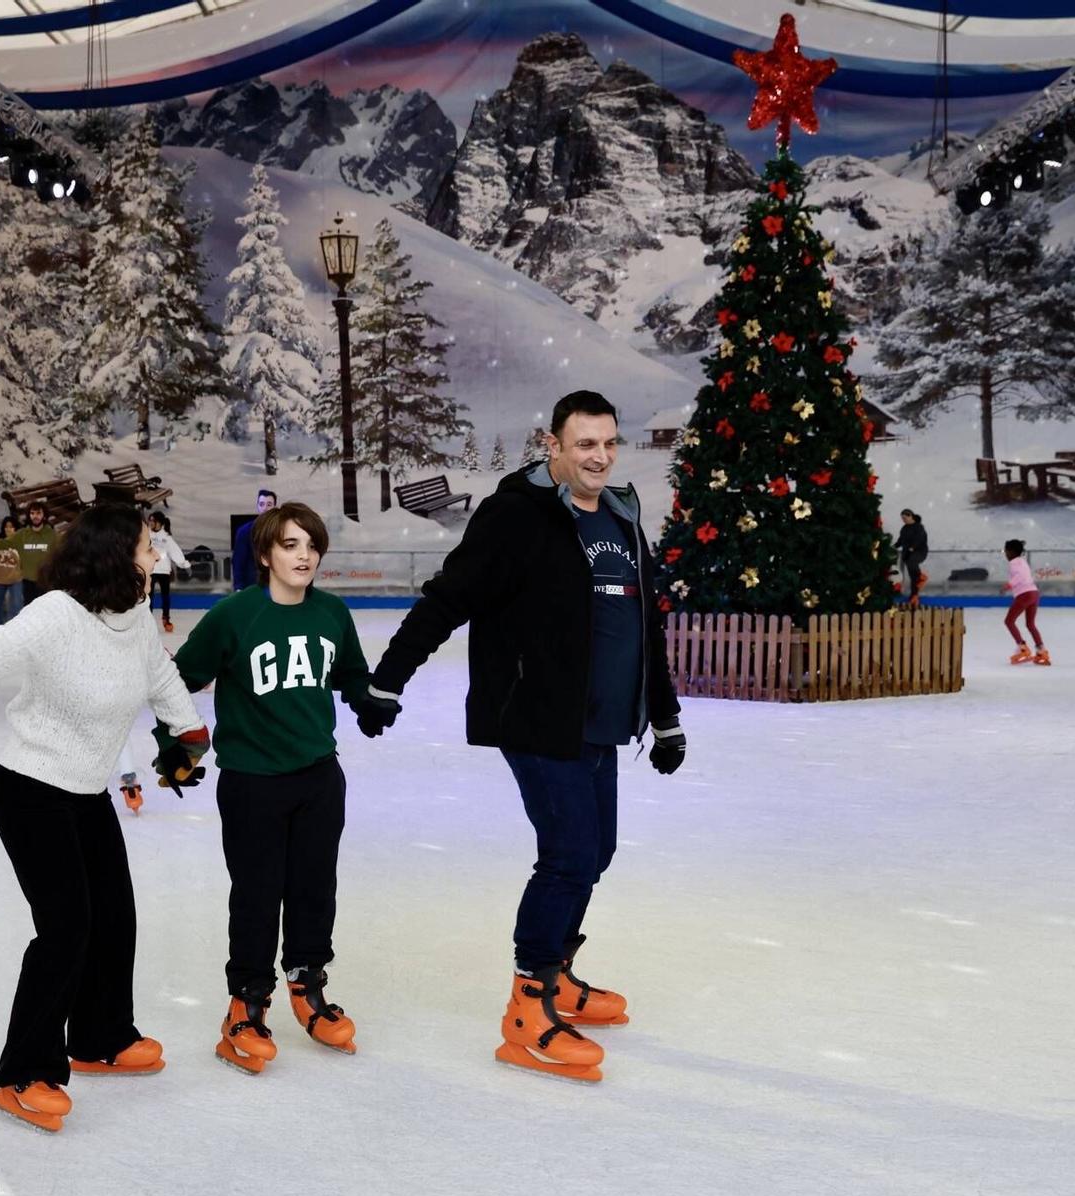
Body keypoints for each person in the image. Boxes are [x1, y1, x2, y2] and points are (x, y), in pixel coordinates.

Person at [358, 390, 684, 1083]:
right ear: (554, 446)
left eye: (608, 443)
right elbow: (448, 598)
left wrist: (665, 716)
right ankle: (526, 1010)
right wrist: (388, 680)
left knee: (597, 852)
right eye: (584, 444)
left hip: (603, 722)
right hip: (536, 716)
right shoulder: (516, 515)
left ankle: (559, 974)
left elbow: (645, 628)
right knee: (568, 853)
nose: (598, 456)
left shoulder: (624, 516)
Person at [0, 504, 209, 1134]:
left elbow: (159, 676)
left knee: (113, 917)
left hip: (87, 792)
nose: (155, 557)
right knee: (67, 928)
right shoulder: (56, 615)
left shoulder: (134, 618)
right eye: (147, 548)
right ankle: (22, 1073)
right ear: (116, 555)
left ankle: (99, 1037)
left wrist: (189, 733)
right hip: (31, 790)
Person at [161, 502, 370, 1074]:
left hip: (320, 778)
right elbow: (179, 680)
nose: (304, 555)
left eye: (311, 545)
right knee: (256, 894)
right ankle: (245, 1005)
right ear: (264, 554)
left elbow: (350, 672)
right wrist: (176, 740)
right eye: (291, 545)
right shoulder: (235, 616)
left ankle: (308, 986)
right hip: (253, 781)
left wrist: (366, 697)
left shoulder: (331, 613)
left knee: (313, 887)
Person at [1003, 540, 1048, 665]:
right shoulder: (1023, 562)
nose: (1005, 554)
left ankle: (1022, 648)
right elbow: (1025, 575)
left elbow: (1020, 576)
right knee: (1030, 624)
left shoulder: (1013, 563)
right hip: (1034, 593)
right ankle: (1041, 651)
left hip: (1025, 594)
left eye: (1005, 551)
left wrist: (1009, 584)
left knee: (1009, 621)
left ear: (1011, 551)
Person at [146, 510, 190, 633]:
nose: (150, 523)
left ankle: (166, 618)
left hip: (164, 571)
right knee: (149, 596)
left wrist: (183, 564)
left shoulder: (166, 538)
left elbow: (175, 551)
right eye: (149, 521)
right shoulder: (146, 535)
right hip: (151, 570)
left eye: (153, 521)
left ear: (159, 523)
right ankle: (147, 620)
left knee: (166, 596)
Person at [231, 489, 279, 592]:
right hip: (252, 586)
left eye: (269, 504)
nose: (265, 508)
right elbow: (238, 561)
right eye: (261, 504)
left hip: (278, 585)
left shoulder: (282, 531)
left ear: (275, 507)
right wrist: (238, 587)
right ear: (257, 506)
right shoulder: (245, 531)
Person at [895, 509, 928, 608]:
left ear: (910, 516)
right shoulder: (904, 528)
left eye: (905, 518)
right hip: (907, 553)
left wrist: (912, 548)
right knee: (913, 576)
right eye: (902, 519)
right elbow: (900, 541)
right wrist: (893, 546)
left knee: (912, 561)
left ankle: (921, 578)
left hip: (919, 552)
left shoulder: (919, 527)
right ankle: (914, 595)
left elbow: (919, 540)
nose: (903, 520)